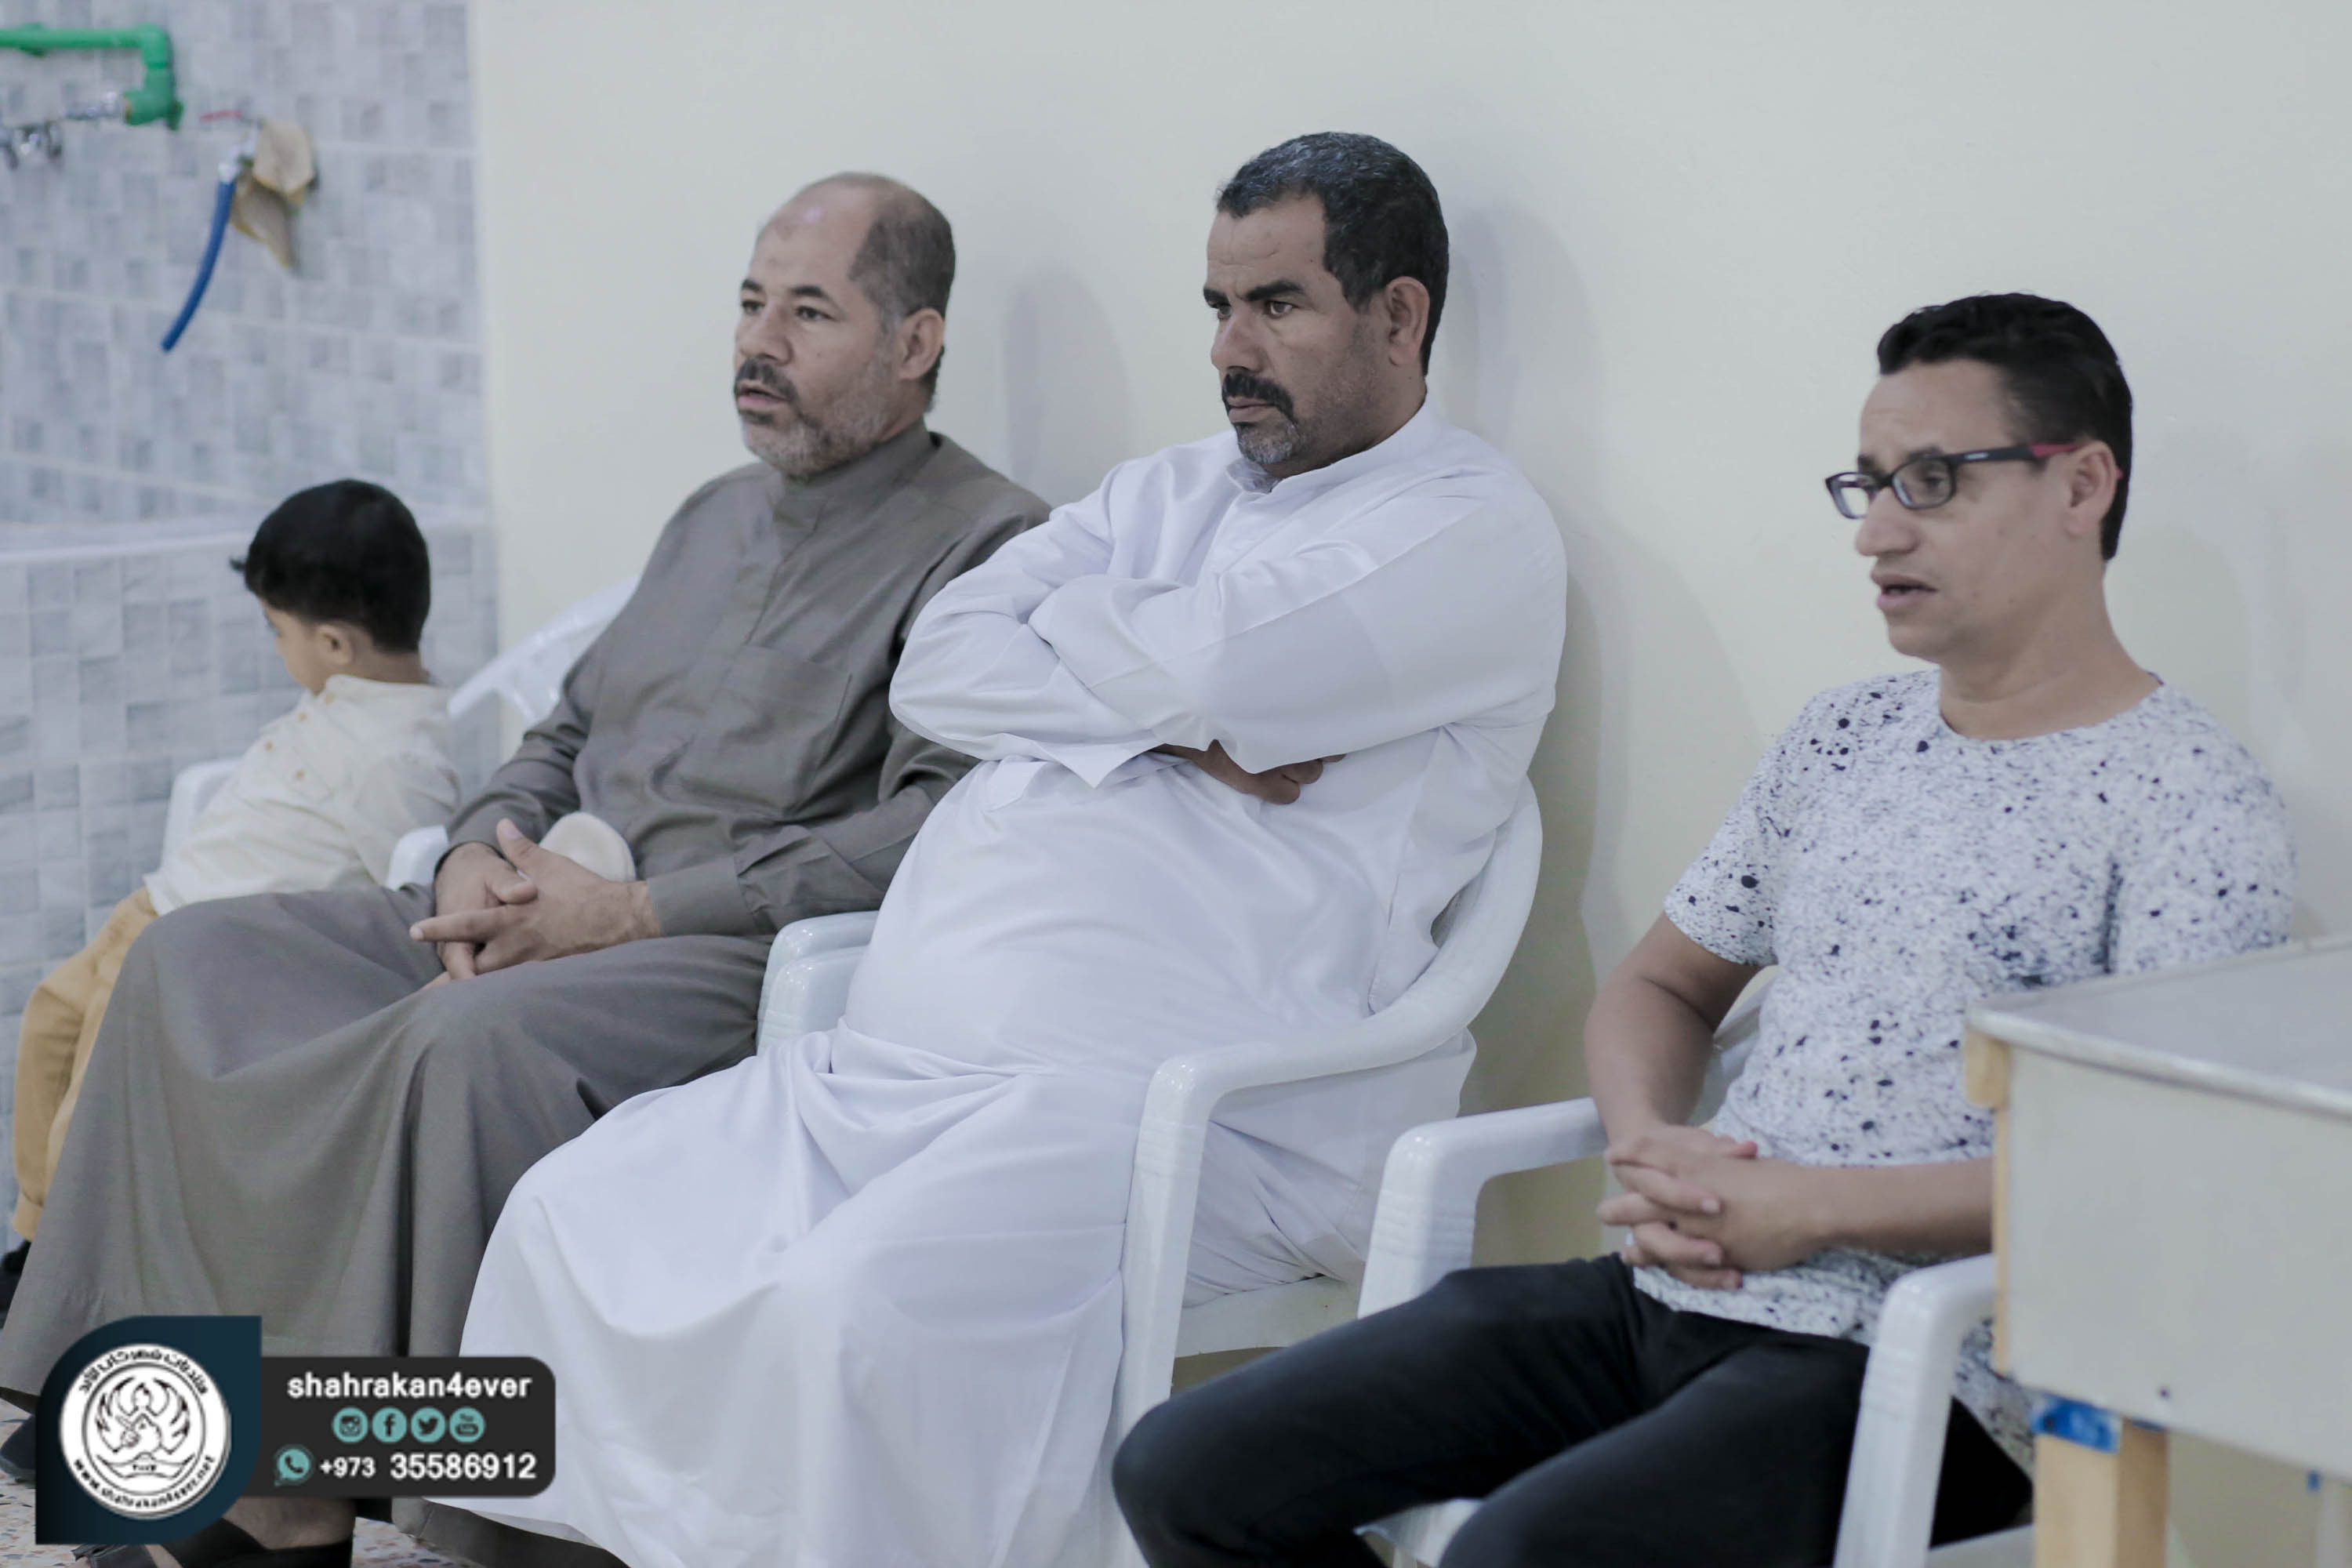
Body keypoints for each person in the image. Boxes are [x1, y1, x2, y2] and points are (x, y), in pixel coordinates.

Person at [427, 131, 1567, 1568]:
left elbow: (1206, 663)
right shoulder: (1169, 492)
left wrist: (1115, 660)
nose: (1231, 349)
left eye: (1278, 305)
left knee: (849, 1310)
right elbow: (943, 663)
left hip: (1179, 1109)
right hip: (900, 1067)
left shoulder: (1467, 532)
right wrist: (1180, 727)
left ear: (1398, 316)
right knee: (573, 1215)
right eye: (1218, 306)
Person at [1112, 293, 2296, 1568]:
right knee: (1187, 1468)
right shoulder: (1845, 736)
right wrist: (1655, 1152)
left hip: (1924, 1367)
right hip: (1672, 1289)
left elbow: (2156, 1176)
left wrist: (1816, 1210)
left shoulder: (2187, 803)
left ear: (2082, 486)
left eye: (1935, 482)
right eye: (1870, 485)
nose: (1879, 531)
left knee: (1519, 1555)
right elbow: (1664, 986)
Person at [4, 173, 1048, 1567]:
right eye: (751, 304)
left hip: (713, 950)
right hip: (537, 894)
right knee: (194, 960)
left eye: (810, 314)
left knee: (462, 1047)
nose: (758, 343)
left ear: (916, 344)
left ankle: (327, 1488)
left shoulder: (990, 541)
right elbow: (561, 734)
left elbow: (935, 818)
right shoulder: (712, 515)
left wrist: (626, 911)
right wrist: (467, 859)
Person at [8, 480, 459, 1254]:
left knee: (93, 1107)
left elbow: (404, 889)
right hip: (155, 907)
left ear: (334, 644)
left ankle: (71, 1261)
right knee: (51, 1020)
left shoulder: (398, 758)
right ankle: (41, 1239)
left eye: (277, 630)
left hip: (192, 949)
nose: (276, 646)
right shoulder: (348, 693)